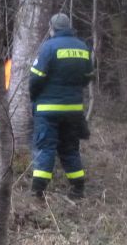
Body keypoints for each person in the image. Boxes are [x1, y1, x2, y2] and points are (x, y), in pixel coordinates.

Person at [29, 13, 93, 200]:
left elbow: (35, 78)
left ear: (52, 28)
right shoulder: (83, 47)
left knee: (46, 148)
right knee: (70, 149)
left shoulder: (48, 47)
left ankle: (37, 192)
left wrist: (35, 98)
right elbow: (88, 75)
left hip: (48, 110)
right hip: (73, 110)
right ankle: (78, 188)